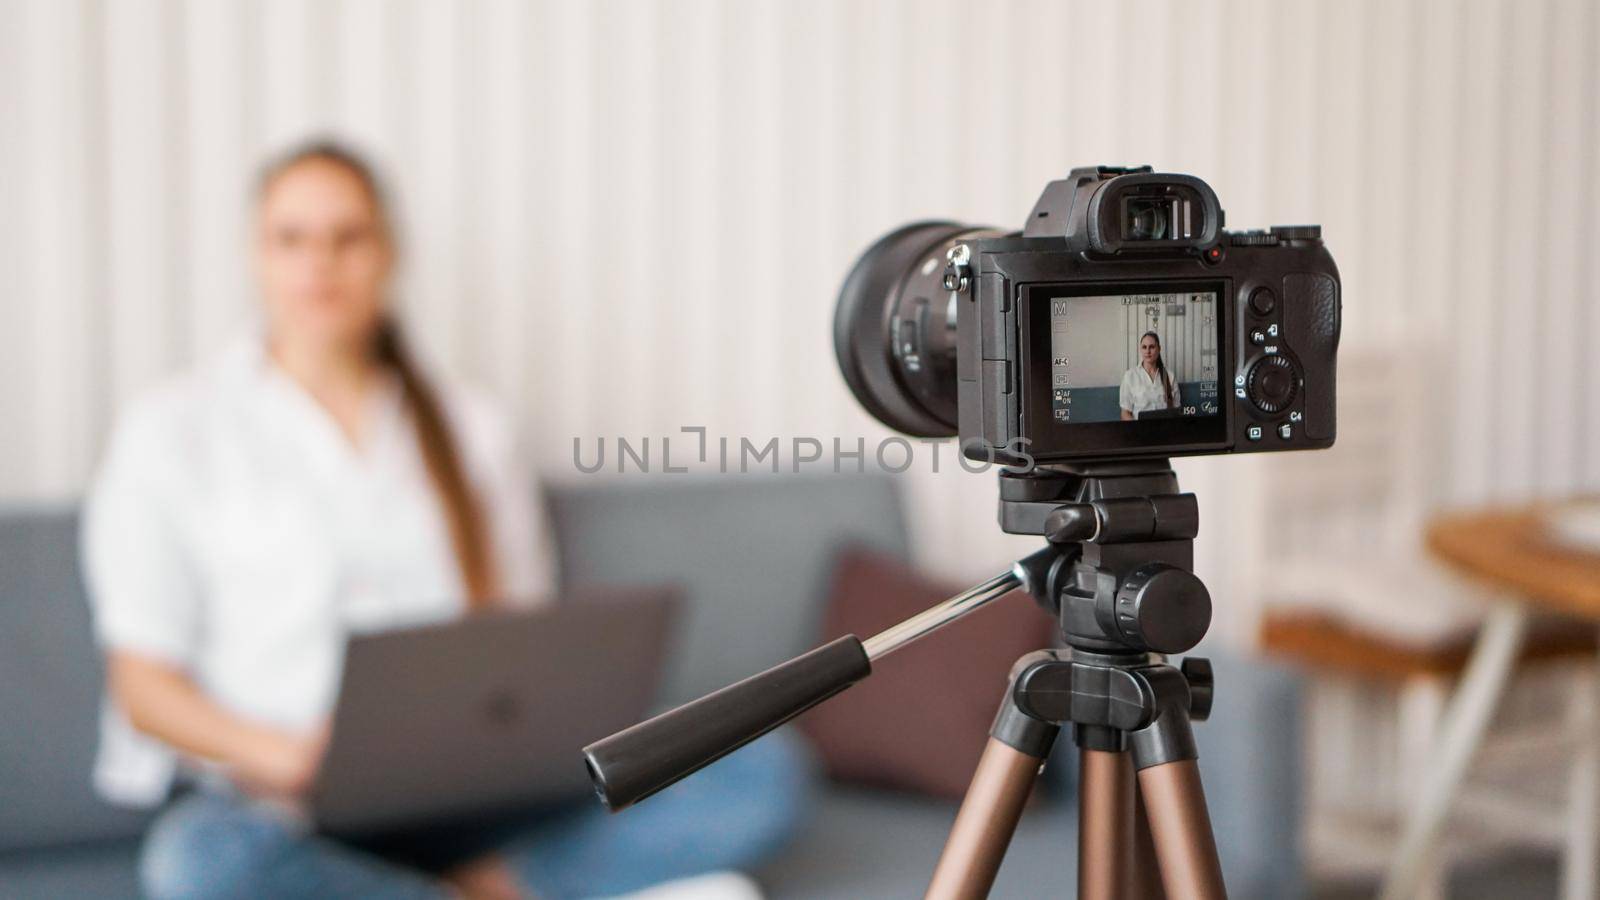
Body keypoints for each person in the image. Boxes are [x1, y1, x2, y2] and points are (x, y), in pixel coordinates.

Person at [83, 141, 808, 900]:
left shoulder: (473, 426)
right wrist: (292, 757)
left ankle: (496, 884)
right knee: (197, 863)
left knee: (763, 763)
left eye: (348, 237)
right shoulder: (171, 431)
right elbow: (143, 687)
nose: (319, 263)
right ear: (257, 257)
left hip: (475, 800)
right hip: (287, 807)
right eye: (291, 238)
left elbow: (515, 639)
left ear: (387, 253)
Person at [1118, 330, 1180, 420]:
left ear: (1159, 349)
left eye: (1152, 347)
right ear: (1140, 350)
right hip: (1139, 430)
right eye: (1144, 347)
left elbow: (1176, 410)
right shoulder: (1130, 376)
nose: (1148, 351)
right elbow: (1125, 413)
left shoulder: (1170, 376)